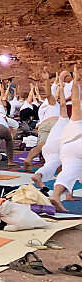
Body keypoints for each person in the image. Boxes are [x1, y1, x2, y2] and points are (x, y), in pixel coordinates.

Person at [48, 67, 81, 212]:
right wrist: (75, 81)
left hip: (67, 148)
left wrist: (66, 83)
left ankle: (56, 195)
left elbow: (69, 102)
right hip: (79, 142)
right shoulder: (77, 119)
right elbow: (74, 99)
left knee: (68, 172)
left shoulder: (69, 121)